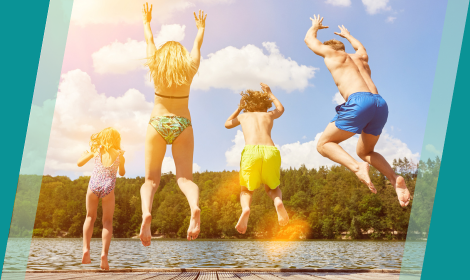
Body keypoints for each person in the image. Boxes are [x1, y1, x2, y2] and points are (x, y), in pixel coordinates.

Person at [304, 15, 410, 207]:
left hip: (359, 101)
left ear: (330, 49)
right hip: (380, 104)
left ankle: (357, 168)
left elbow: (309, 41)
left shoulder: (334, 55)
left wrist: (315, 26)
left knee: (324, 144)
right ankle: (395, 180)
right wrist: (348, 35)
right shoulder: (360, 58)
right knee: (365, 151)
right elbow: (361, 48)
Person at [139, 3, 207, 245]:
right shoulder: (189, 68)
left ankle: (147, 212)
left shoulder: (156, 65)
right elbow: (196, 46)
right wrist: (200, 28)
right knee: (185, 179)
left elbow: (149, 39)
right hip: (182, 124)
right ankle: (194, 208)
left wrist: (147, 21)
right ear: (180, 57)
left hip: (157, 122)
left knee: (150, 181)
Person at [225, 83, 289, 234]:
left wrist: (239, 108)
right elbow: (281, 109)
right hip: (270, 151)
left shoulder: (243, 116)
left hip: (251, 152)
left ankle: (246, 208)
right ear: (265, 105)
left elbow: (227, 124)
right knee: (273, 188)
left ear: (248, 106)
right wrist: (270, 93)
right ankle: (278, 202)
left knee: (246, 190)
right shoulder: (268, 115)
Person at [77, 127, 126, 270]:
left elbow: (79, 163)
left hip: (93, 185)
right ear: (117, 140)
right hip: (108, 187)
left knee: (90, 217)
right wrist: (121, 160)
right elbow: (122, 173)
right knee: (107, 221)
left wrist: (87, 154)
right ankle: (104, 255)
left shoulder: (96, 150)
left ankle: (86, 249)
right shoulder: (118, 154)